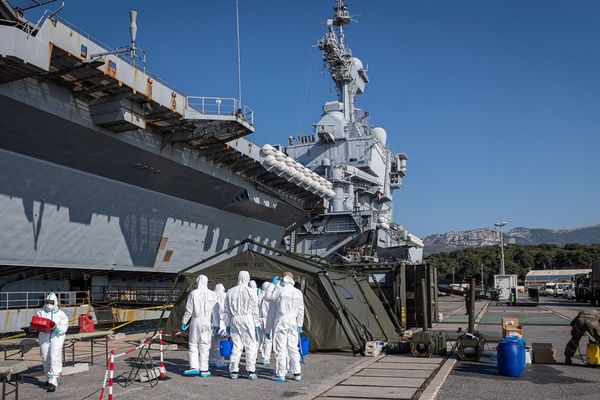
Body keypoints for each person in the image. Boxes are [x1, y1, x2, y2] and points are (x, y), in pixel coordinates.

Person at [266, 272, 305, 382]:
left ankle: (281, 374)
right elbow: (301, 310)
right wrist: (300, 325)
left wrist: (272, 284)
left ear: (283, 279)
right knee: (293, 347)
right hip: (293, 321)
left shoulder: (280, 290)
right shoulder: (298, 292)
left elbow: (267, 297)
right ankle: (297, 372)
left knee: (280, 348)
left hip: (281, 321)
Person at [224, 271, 260, 380]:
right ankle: (251, 370)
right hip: (247, 319)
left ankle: (234, 370)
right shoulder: (251, 291)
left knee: (236, 345)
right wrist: (256, 323)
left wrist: (227, 323)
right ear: (248, 278)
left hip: (235, 319)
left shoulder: (230, 291)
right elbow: (255, 309)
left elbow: (227, 310)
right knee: (250, 345)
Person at [181, 275, 216, 377]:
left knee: (193, 343)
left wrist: (184, 322)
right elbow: (215, 311)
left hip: (196, 320)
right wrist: (216, 323)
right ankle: (204, 369)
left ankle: (194, 367)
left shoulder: (193, 293)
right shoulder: (212, 294)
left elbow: (189, 310)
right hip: (207, 321)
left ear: (198, 282)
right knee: (205, 345)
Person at [36, 292, 69, 392]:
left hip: (56, 338)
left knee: (54, 357)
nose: (48, 304)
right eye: (47, 301)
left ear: (55, 302)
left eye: (51, 302)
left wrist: (56, 328)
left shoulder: (61, 314)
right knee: (45, 358)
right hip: (44, 337)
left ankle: (53, 381)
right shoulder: (41, 312)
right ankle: (48, 378)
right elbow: (36, 322)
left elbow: (64, 327)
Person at [209, 283, 228, 368]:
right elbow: (227, 310)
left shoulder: (211, 295)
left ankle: (212, 360)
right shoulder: (225, 295)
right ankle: (220, 362)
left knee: (213, 343)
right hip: (222, 322)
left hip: (212, 322)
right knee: (222, 343)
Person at [257, 281, 273, 366]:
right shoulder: (270, 296)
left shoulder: (259, 296)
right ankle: (266, 358)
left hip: (259, 319)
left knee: (258, 339)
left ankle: (254, 356)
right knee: (268, 340)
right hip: (268, 320)